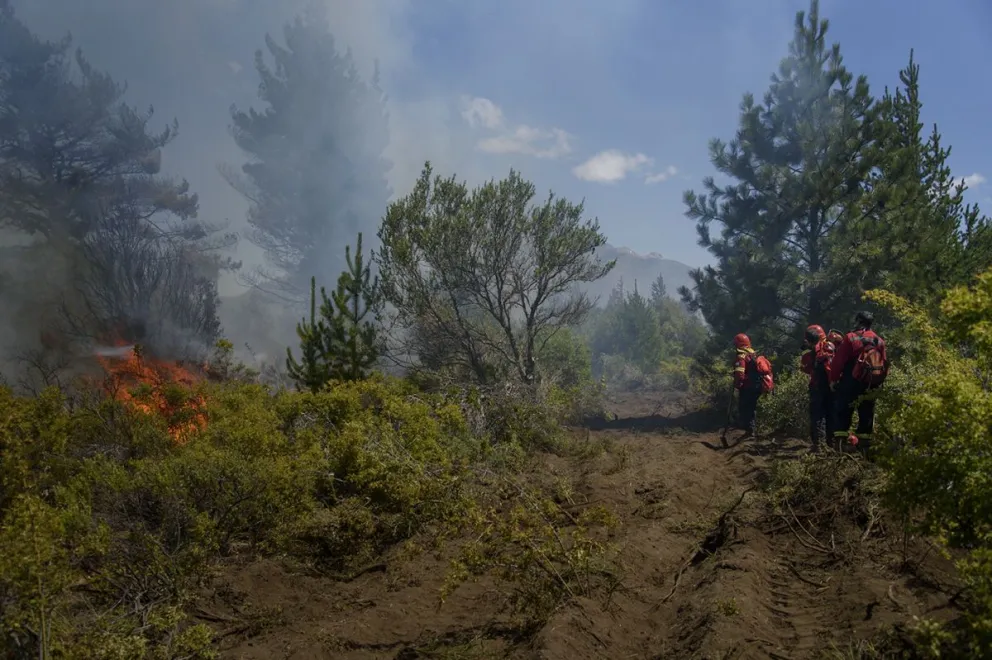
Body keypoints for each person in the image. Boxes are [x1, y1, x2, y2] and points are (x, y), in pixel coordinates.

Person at [829, 311, 889, 454]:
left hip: (851, 382)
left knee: (843, 411)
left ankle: (840, 448)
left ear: (858, 321)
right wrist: (878, 383)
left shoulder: (851, 338)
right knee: (867, 414)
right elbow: (885, 363)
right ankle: (865, 449)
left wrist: (833, 379)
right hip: (870, 384)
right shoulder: (879, 341)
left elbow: (838, 362)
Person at [732, 333, 773, 439]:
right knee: (752, 408)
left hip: (747, 387)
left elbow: (740, 375)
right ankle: (751, 429)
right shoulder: (753, 354)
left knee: (744, 408)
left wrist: (737, 385)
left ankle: (749, 430)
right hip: (757, 386)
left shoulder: (741, 357)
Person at [800, 324, 834, 452]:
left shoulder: (817, 350)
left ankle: (819, 446)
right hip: (832, 387)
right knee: (831, 415)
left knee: (817, 416)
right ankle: (831, 445)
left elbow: (806, 368)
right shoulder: (831, 346)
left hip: (818, 387)